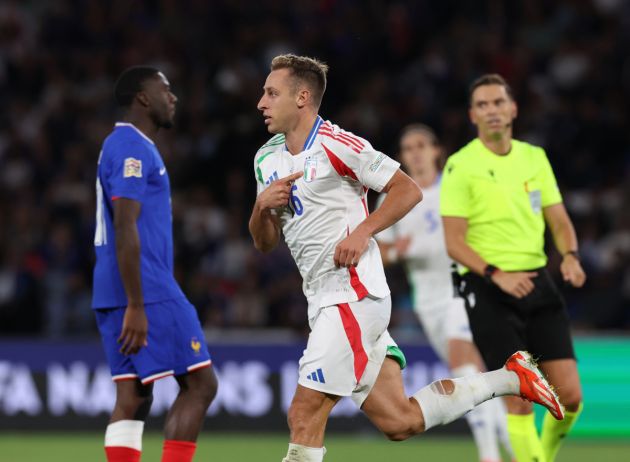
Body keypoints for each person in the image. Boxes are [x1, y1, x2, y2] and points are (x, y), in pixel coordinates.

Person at [249, 54, 564, 462]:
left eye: (272, 93)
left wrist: (364, 231)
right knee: (401, 421)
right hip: (322, 298)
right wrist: (261, 209)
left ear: (303, 97)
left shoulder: (338, 145)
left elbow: (407, 189)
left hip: (353, 295)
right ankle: (510, 377)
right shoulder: (266, 158)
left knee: (304, 412)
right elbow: (264, 243)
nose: (261, 102)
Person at [440, 73, 585, 462]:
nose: (492, 111)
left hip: (538, 282)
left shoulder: (534, 157)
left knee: (570, 398)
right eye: (483, 105)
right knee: (520, 398)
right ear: (473, 115)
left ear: (513, 109)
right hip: (488, 288)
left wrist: (569, 255)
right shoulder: (460, 166)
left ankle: (544, 457)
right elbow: (453, 240)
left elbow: (559, 219)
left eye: (498, 103)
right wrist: (495, 274)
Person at [92, 66, 218, 462]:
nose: (173, 97)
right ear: (143, 98)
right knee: (200, 386)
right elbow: (125, 223)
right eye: (165, 89)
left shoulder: (120, 144)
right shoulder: (131, 146)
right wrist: (137, 303)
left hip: (111, 288)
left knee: (133, 395)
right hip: (146, 288)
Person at [375, 124, 513, 462]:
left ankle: (489, 455)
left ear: (437, 150)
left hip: (466, 290)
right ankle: (518, 450)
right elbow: (376, 251)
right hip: (429, 301)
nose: (416, 153)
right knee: (477, 376)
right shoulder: (393, 196)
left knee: (466, 366)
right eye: (408, 148)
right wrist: (398, 252)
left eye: (422, 145)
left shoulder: (456, 187)